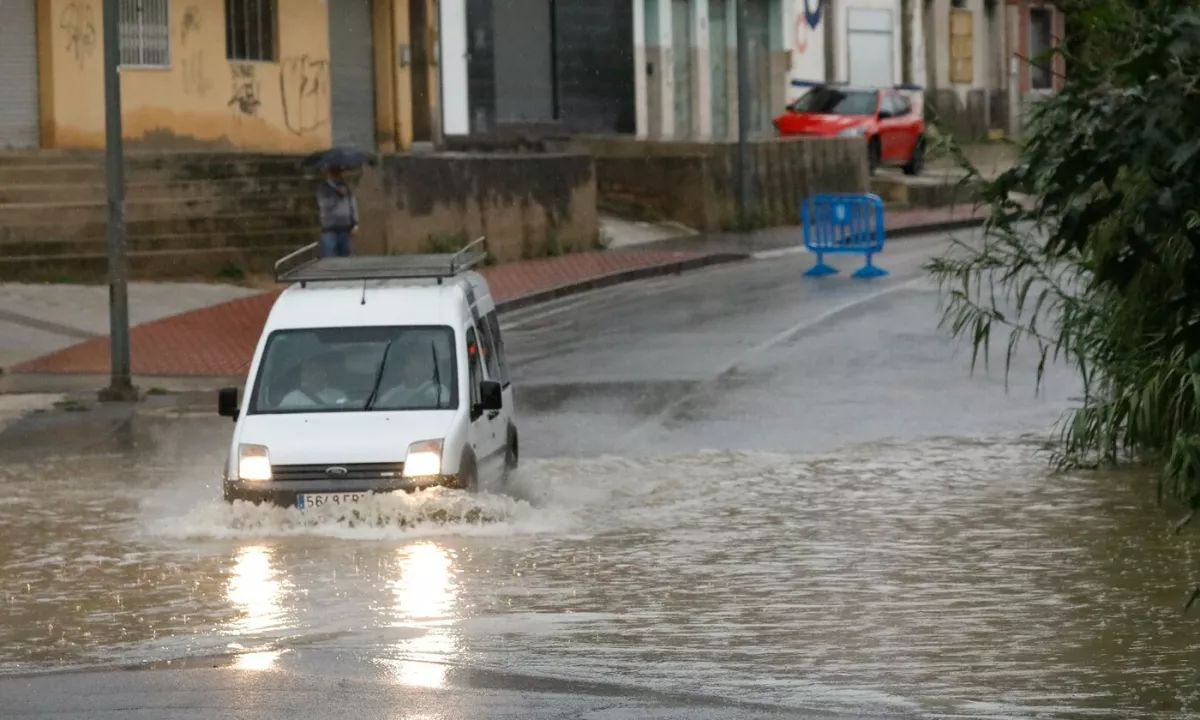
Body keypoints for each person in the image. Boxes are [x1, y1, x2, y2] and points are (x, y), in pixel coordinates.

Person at [375, 345, 452, 409]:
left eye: (417, 365)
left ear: (425, 367)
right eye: (409, 365)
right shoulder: (392, 393)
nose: (412, 370)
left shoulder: (437, 391)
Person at [316, 164, 358, 258]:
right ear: (329, 174)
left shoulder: (346, 187)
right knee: (330, 259)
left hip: (345, 229)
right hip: (330, 230)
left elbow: (352, 204)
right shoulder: (324, 188)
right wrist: (337, 194)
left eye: (339, 172)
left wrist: (355, 223)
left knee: (345, 259)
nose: (338, 175)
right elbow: (324, 204)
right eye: (335, 173)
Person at [279, 356, 349, 409]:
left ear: (323, 374)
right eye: (304, 371)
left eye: (312, 371)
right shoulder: (291, 399)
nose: (306, 375)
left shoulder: (338, 395)